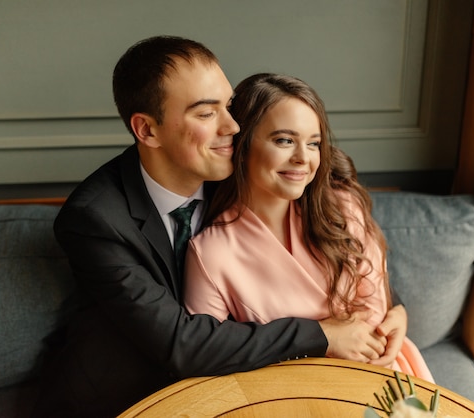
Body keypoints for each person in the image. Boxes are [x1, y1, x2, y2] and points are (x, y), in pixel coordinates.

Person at [32, 36, 407, 417]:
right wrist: (324, 334)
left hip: (241, 387)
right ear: (147, 130)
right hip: (123, 398)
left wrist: (395, 308)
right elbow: (182, 343)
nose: (232, 126)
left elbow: (344, 240)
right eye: (206, 113)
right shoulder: (95, 219)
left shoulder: (235, 171)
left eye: (228, 106)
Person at [184, 73, 433, 381]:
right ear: (243, 145)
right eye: (284, 141)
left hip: (377, 375)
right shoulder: (211, 253)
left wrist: (390, 320)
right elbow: (209, 358)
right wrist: (325, 342)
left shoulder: (341, 207)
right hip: (284, 391)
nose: (303, 158)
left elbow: (375, 312)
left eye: (313, 143)